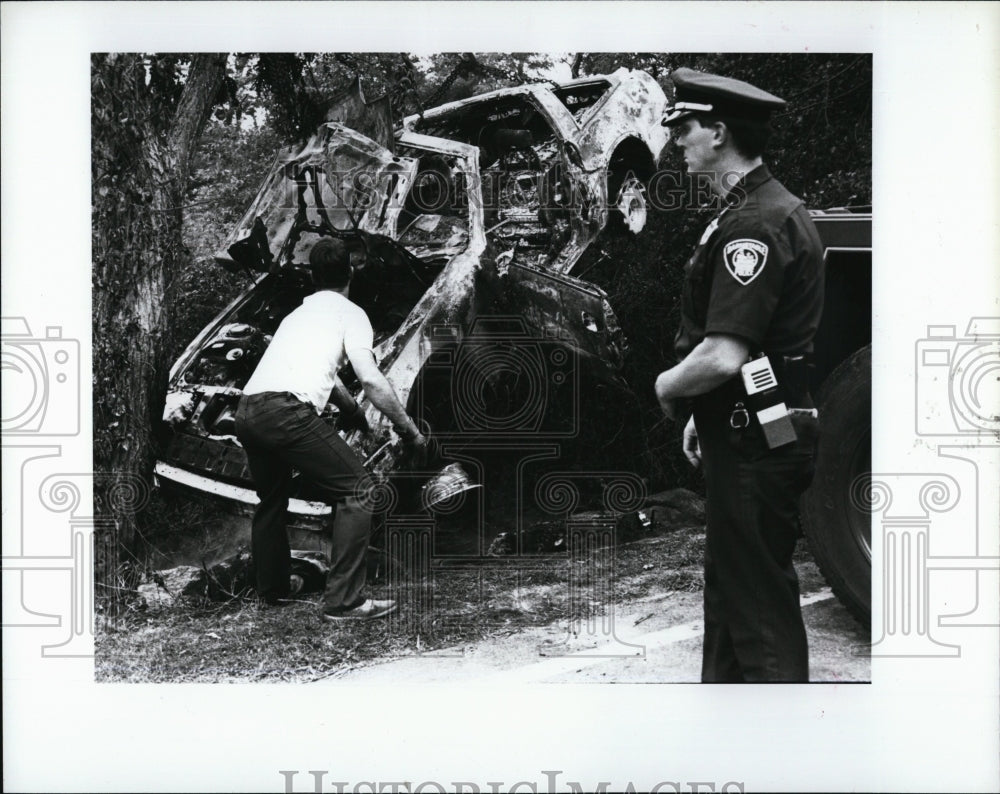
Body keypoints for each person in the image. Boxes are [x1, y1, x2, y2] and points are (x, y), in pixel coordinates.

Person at [655, 68, 825, 682]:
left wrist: (667, 387)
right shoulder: (764, 210)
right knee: (734, 590)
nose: (677, 141)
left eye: (685, 128)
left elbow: (724, 354)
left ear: (719, 132)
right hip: (753, 427)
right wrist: (706, 418)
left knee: (755, 605)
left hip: (754, 437)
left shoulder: (753, 224)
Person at [235, 236, 429, 621]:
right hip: (284, 411)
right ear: (351, 272)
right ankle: (344, 602)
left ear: (312, 276)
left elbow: (331, 380)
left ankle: (272, 590)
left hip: (248, 409)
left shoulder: (296, 316)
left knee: (271, 501)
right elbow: (371, 380)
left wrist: (351, 411)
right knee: (359, 491)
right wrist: (410, 430)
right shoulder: (351, 314)